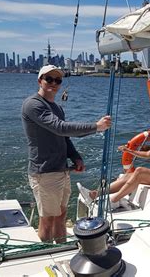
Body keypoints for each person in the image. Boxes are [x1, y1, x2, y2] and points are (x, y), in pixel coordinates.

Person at [21, 64, 111, 243]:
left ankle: (61, 249)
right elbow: (60, 128)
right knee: (47, 220)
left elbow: (63, 138)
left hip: (61, 169)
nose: (54, 83)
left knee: (61, 215)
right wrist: (96, 127)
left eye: (58, 80)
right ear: (40, 81)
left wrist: (75, 156)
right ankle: (46, 256)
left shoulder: (56, 108)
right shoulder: (33, 105)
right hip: (45, 172)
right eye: (49, 79)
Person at [77, 113, 150, 208]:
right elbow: (148, 154)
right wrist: (129, 151)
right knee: (127, 176)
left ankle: (113, 200)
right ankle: (94, 194)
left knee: (139, 171)